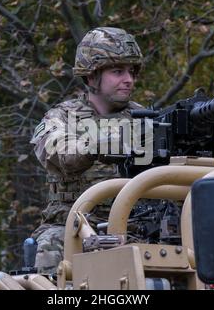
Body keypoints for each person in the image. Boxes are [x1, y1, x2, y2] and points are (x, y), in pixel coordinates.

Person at [30, 27, 144, 275]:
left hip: (133, 228)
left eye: (131, 72)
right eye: (118, 71)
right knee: (50, 247)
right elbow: (56, 152)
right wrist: (97, 144)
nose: (129, 79)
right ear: (91, 77)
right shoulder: (61, 117)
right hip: (71, 227)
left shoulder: (145, 119)